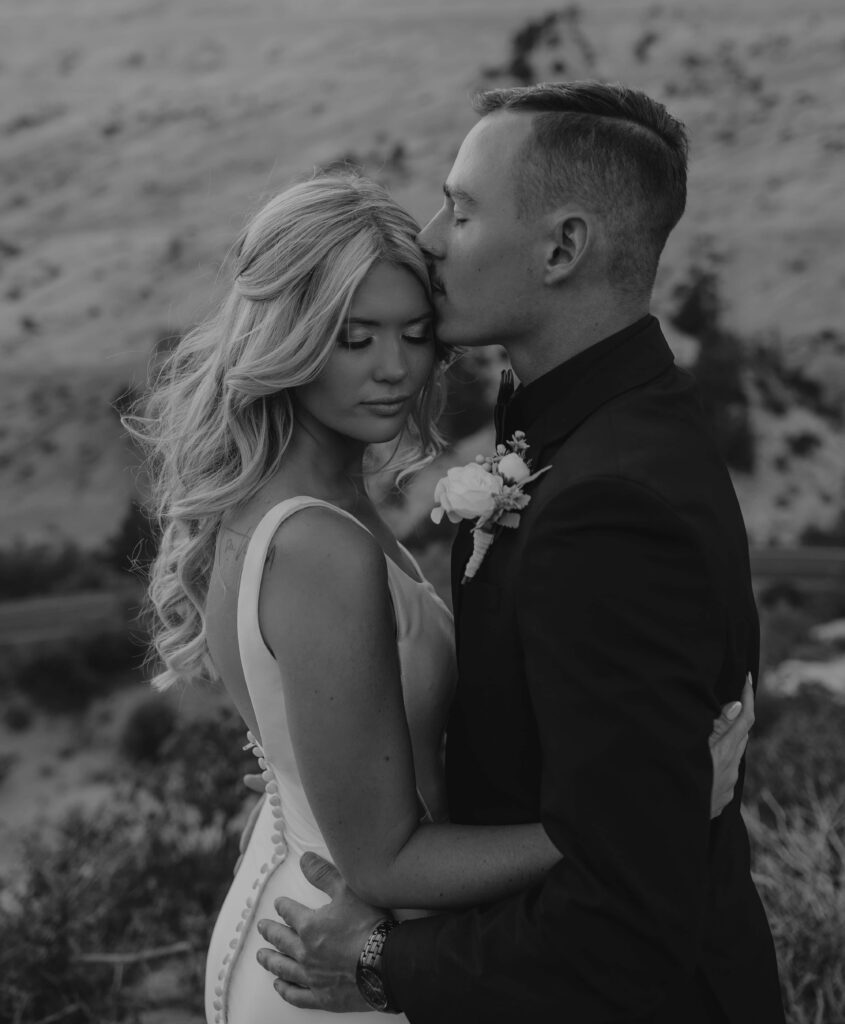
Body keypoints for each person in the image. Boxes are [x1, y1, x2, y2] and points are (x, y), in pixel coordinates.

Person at [130, 170, 750, 1024]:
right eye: (354, 338)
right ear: (287, 335)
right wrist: (653, 814)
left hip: (312, 910)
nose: (393, 368)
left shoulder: (290, 505)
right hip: (342, 959)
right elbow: (385, 862)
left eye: (415, 333)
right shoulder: (316, 545)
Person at [255, 84, 785, 1022]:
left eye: (460, 211)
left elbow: (625, 919)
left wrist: (380, 961)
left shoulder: (609, 507)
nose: (428, 238)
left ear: (562, 248)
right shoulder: (589, 428)